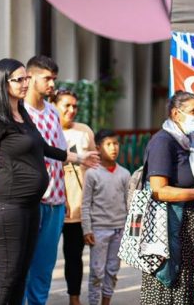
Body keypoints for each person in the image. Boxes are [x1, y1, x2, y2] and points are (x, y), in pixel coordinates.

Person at [0, 58, 98, 305]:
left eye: (26, 79)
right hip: (8, 205)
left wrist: (78, 157)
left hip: (33, 205)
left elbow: (44, 147)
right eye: (19, 79)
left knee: (22, 275)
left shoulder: (21, 114)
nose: (24, 84)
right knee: (7, 277)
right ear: (3, 83)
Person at [139, 91, 194, 305]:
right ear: (176, 113)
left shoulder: (189, 143)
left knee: (188, 290)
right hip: (168, 230)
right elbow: (159, 190)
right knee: (170, 290)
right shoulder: (164, 142)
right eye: (193, 111)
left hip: (189, 228)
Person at [23, 55, 80, 305]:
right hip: (29, 201)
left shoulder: (52, 113)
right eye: (46, 78)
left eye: (53, 79)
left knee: (44, 269)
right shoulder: (19, 111)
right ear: (30, 77)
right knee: (22, 265)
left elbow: (60, 156)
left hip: (56, 202)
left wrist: (65, 196)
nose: (51, 84)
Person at [52, 87, 96, 305]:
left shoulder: (84, 131)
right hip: (52, 203)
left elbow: (94, 168)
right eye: (66, 105)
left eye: (74, 106)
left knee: (74, 256)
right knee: (44, 257)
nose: (71, 110)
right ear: (54, 105)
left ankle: (74, 299)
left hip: (78, 208)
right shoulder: (47, 130)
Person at [82, 129, 131, 305]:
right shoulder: (92, 173)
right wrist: (87, 228)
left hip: (119, 230)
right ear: (98, 148)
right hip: (99, 230)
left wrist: (129, 230)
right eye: (108, 144)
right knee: (97, 271)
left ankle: (106, 302)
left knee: (112, 269)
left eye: (116, 144)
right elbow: (86, 204)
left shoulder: (125, 174)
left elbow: (129, 203)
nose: (113, 148)